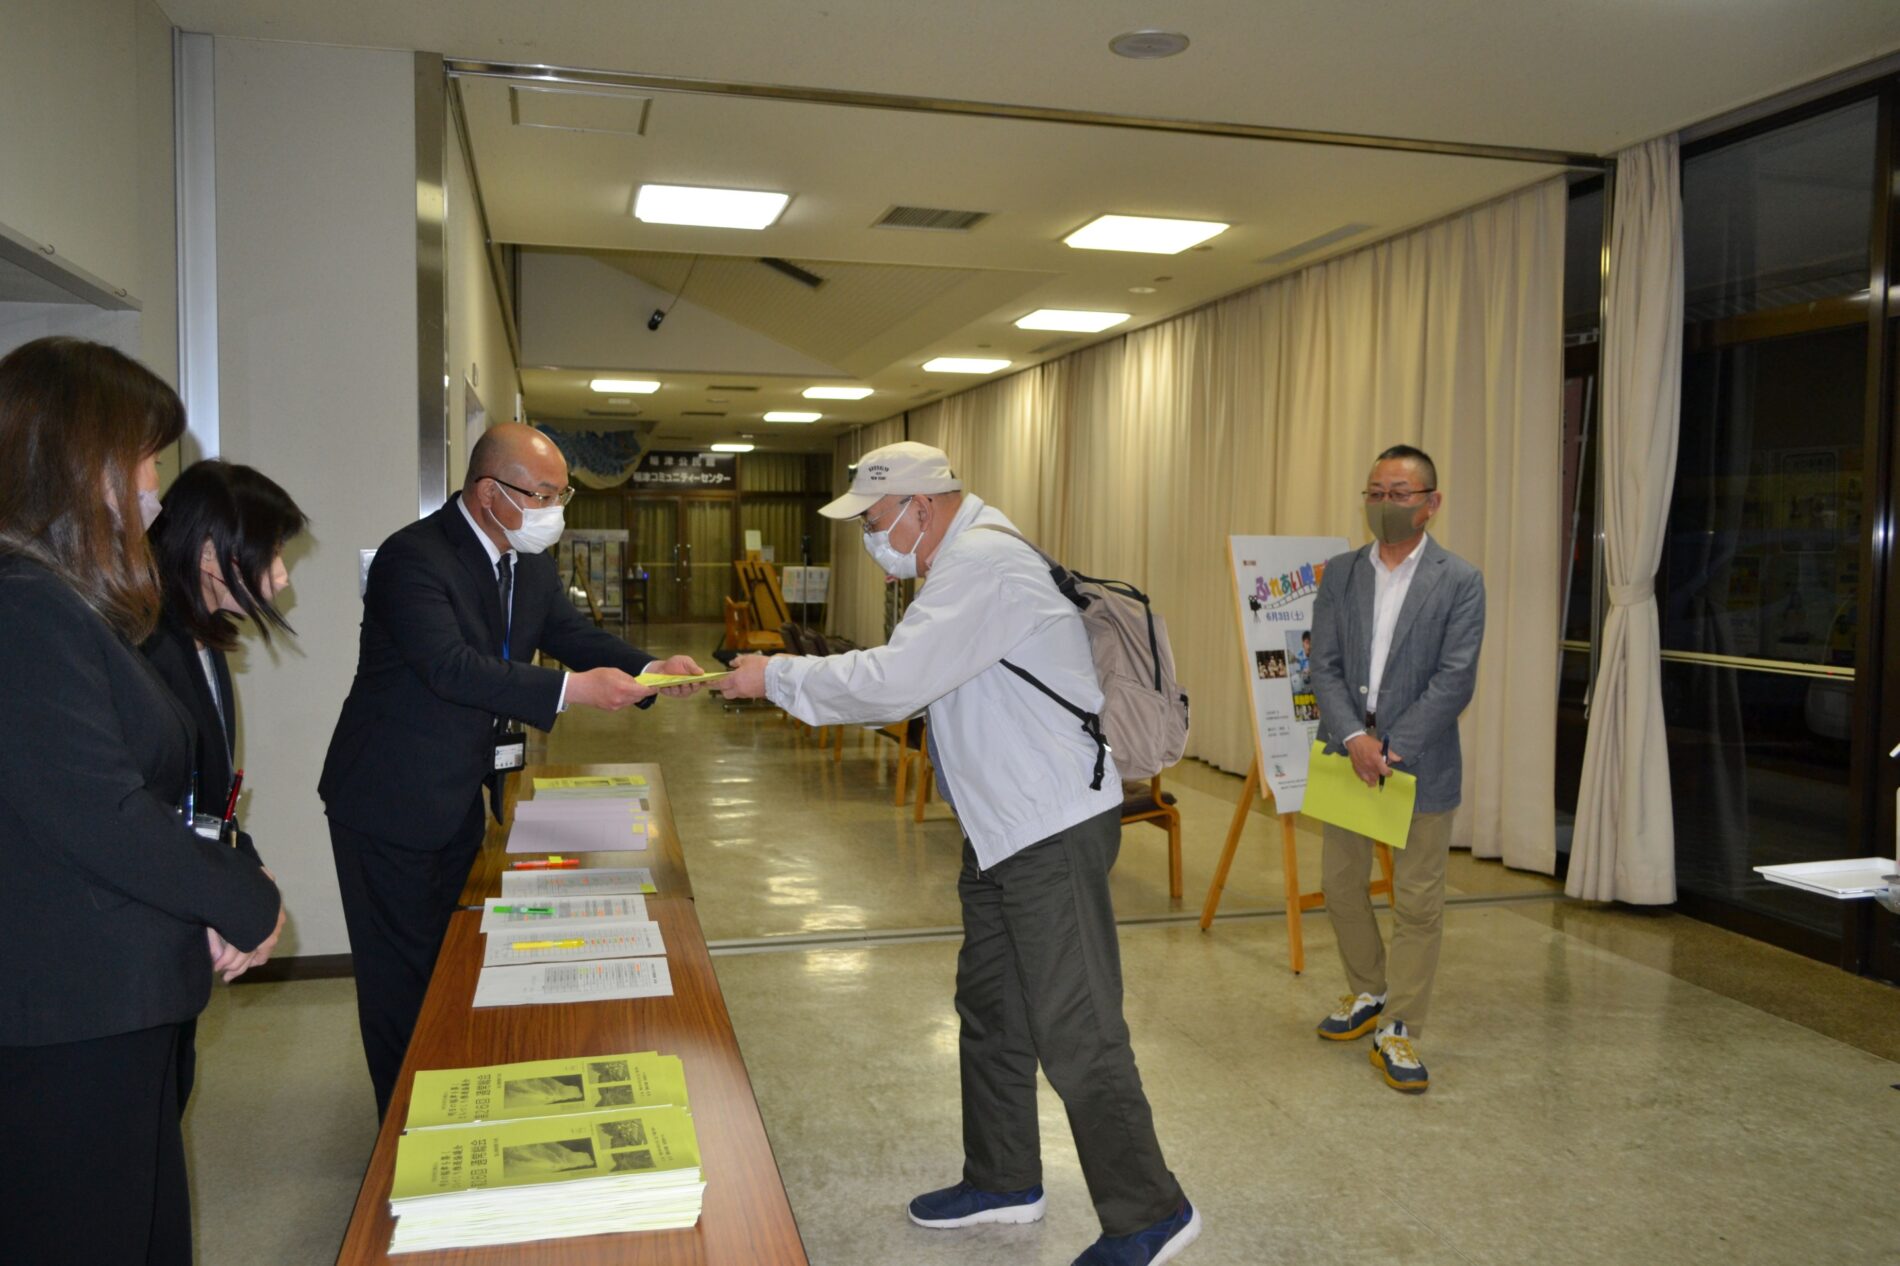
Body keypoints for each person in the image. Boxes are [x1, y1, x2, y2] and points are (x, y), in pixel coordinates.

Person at [717, 441, 1198, 1266]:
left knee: (1076, 1028)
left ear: (922, 505)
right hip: (1001, 828)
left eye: (875, 520)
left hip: (1048, 829)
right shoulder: (959, 564)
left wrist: (778, 677)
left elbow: (893, 683)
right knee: (993, 1011)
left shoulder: (983, 564)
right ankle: (1004, 1178)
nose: (871, 538)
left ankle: (1151, 1212)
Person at [319, 422, 704, 1116]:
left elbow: (569, 634)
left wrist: (649, 669)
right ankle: (401, 1129)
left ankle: (446, 1094)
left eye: (561, 496)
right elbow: (451, 668)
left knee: (450, 962)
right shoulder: (414, 558)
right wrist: (573, 691)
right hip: (387, 798)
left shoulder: (526, 563)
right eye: (543, 495)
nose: (554, 511)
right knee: (399, 981)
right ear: (489, 491)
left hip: (459, 792)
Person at [0, 336, 284, 1264]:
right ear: (81, 462)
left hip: (111, 1000)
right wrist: (244, 898)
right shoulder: (24, 608)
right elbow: (103, 814)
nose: (156, 486)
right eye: (144, 459)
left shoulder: (65, 601)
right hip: (69, 1016)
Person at [1308, 443, 1484, 1093]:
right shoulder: (1341, 573)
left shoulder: (1459, 580)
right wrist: (1356, 738)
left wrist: (1391, 747)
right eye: (1376, 493)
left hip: (1420, 761)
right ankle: (1369, 989)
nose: (1385, 504)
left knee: (1417, 902)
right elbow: (1323, 665)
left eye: (1399, 494)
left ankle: (1400, 1025)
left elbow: (1455, 679)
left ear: (1431, 503)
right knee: (1340, 884)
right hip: (1348, 756)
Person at [142, 459, 309, 1111]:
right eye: (271, 552)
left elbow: (210, 801)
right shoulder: (145, 645)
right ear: (211, 552)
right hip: (143, 932)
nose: (282, 575)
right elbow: (148, 810)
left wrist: (248, 871)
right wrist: (231, 897)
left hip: (181, 917)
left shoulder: (203, 640)